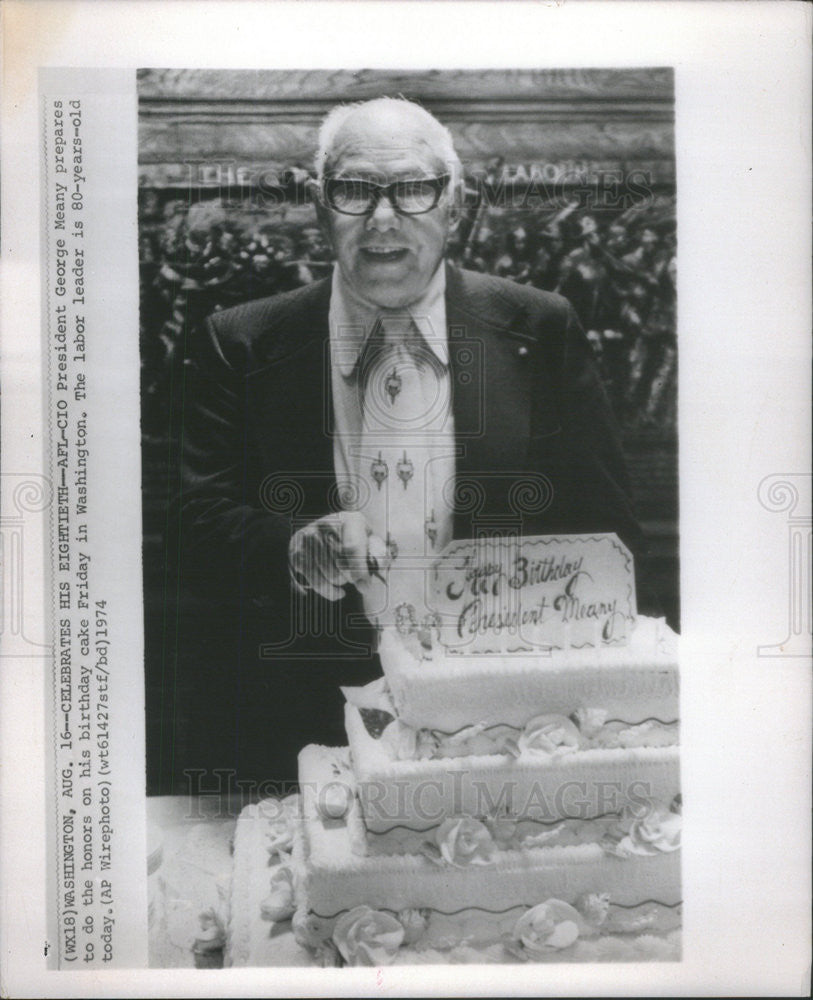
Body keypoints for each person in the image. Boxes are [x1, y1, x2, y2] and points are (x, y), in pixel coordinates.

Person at [176, 97, 644, 784]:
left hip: (504, 733)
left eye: (413, 189)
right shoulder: (239, 342)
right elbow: (192, 533)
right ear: (318, 205)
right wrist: (291, 544)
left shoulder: (539, 329)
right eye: (355, 190)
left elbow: (608, 534)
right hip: (298, 727)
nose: (383, 218)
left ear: (456, 206)